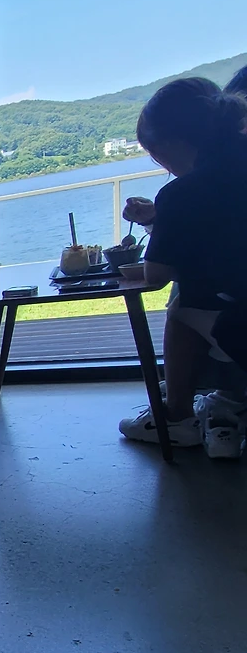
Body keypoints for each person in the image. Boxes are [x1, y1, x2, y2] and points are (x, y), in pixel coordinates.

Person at [118, 78, 247, 454]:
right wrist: (161, 219)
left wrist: (162, 222)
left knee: (183, 304)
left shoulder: (182, 193)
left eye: (155, 154)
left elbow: (156, 274)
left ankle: (177, 418)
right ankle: (226, 394)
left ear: (169, 146)